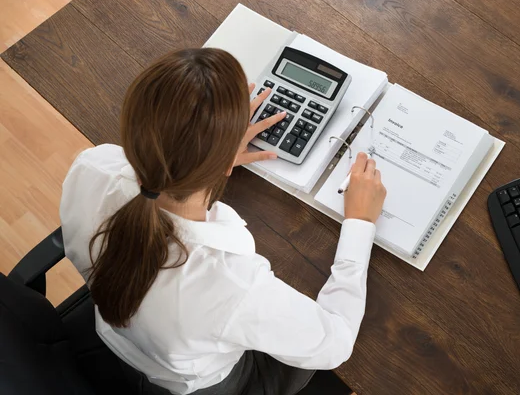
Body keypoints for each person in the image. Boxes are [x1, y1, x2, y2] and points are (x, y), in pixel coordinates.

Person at [60, 48, 386, 395]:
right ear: (224, 165)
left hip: (120, 340)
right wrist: (359, 223)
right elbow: (335, 344)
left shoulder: (91, 167)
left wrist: (209, 153)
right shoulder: (233, 287)